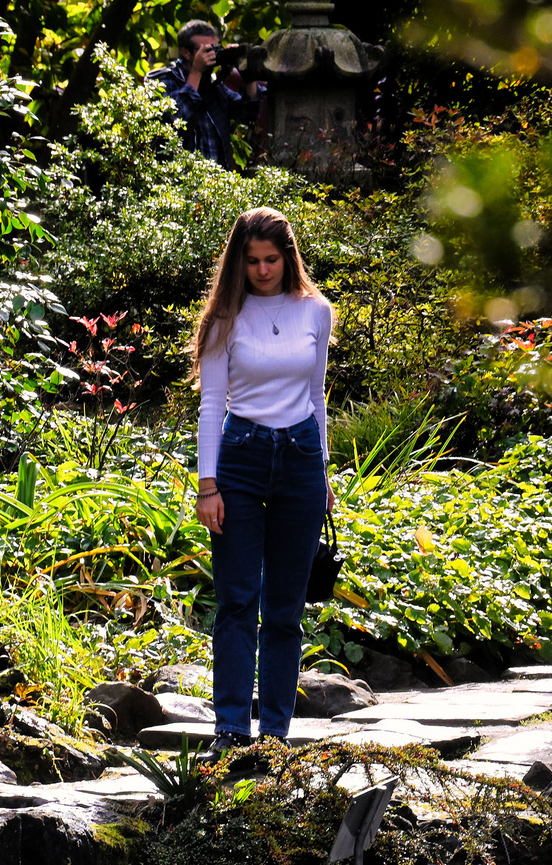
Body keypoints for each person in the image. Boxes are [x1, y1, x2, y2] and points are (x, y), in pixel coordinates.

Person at [189, 207, 336, 755]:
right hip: (241, 459)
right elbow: (211, 404)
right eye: (251, 261)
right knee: (236, 600)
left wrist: (323, 472)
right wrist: (209, 486)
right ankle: (229, 728)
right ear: (238, 261)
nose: (262, 270)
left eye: (272, 259)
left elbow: (318, 396)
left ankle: (274, 735)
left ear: (288, 257)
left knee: (284, 607)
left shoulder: (316, 311)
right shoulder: (225, 317)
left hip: (300, 459)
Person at [148, 20, 261, 169]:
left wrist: (248, 75)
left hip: (216, 184)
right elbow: (177, 117)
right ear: (186, 53)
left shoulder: (213, 85)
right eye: (207, 49)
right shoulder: (163, 80)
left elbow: (249, 114)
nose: (213, 54)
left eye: (216, 48)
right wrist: (196, 72)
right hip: (179, 182)